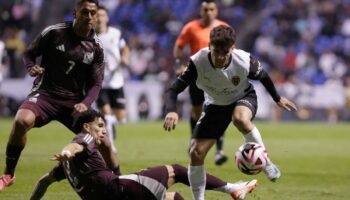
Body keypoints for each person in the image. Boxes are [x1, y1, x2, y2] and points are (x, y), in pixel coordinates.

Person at [163, 25, 297, 200]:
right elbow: (172, 90)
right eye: (216, 50)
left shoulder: (244, 60)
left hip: (243, 97)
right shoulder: (198, 62)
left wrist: (277, 98)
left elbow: (263, 76)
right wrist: (172, 111)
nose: (219, 56)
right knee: (195, 153)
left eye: (224, 52)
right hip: (215, 106)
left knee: (240, 119)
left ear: (232, 48)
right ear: (209, 45)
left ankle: (266, 162)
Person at [0, 0, 120, 192]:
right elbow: (28, 54)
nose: (89, 17)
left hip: (74, 103)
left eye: (93, 13)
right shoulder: (54, 32)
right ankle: (8, 174)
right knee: (22, 120)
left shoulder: (96, 47)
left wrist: (85, 103)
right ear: (75, 13)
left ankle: (119, 182)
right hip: (45, 94)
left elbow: (97, 83)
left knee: (104, 140)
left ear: (96, 15)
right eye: (84, 12)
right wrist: (31, 68)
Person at [30, 109, 258, 200]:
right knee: (176, 170)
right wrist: (66, 152)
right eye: (99, 125)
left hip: (113, 195)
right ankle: (232, 188)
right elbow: (76, 147)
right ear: (87, 127)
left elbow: (42, 182)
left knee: (172, 199)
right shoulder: (84, 138)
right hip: (120, 190)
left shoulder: (65, 168)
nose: (103, 129)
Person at [173, 0, 229, 165]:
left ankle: (219, 151)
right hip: (197, 75)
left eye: (211, 9)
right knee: (197, 112)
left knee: (219, 111)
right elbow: (179, 46)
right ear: (201, 11)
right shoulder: (191, 27)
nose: (209, 12)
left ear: (216, 11)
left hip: (218, 76)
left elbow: (232, 50)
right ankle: (194, 139)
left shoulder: (223, 28)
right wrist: (179, 65)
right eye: (206, 9)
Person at [95, 5, 130, 153]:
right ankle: (111, 146)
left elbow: (125, 48)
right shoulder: (89, 37)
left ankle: (111, 122)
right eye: (97, 15)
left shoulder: (116, 33)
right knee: (106, 115)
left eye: (102, 15)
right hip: (100, 82)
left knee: (121, 119)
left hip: (116, 81)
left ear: (107, 18)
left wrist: (125, 57)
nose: (99, 18)